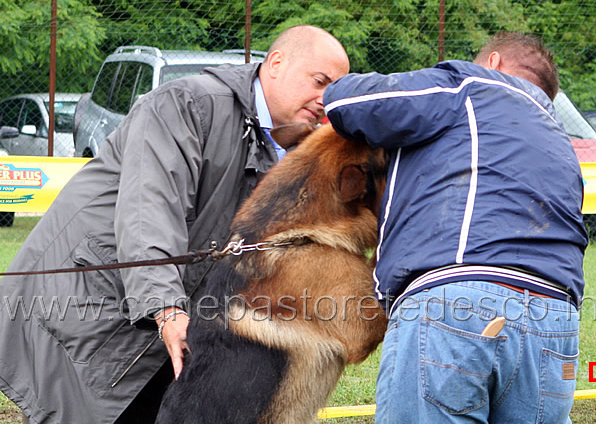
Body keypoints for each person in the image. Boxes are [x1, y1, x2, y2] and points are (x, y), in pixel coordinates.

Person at [0, 24, 349, 424]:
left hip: (165, 327)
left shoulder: (294, 149)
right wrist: (166, 309)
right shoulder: (186, 104)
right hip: (85, 311)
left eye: (335, 91)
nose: (325, 100)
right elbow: (149, 213)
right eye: (320, 81)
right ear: (275, 63)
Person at [323, 31, 587, 423]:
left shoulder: (473, 84)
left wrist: (327, 84)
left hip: (458, 301)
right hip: (556, 319)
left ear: (494, 62)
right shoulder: (561, 140)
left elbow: (351, 102)